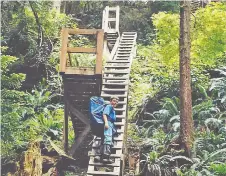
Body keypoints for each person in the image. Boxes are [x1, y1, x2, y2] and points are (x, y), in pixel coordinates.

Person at [94, 96, 119, 164]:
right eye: (114, 101)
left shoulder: (112, 109)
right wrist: (106, 123)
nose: (115, 102)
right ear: (111, 101)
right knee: (108, 140)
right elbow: (104, 114)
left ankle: (98, 156)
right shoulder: (109, 106)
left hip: (108, 125)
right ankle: (106, 157)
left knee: (104, 139)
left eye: (116, 102)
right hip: (107, 125)